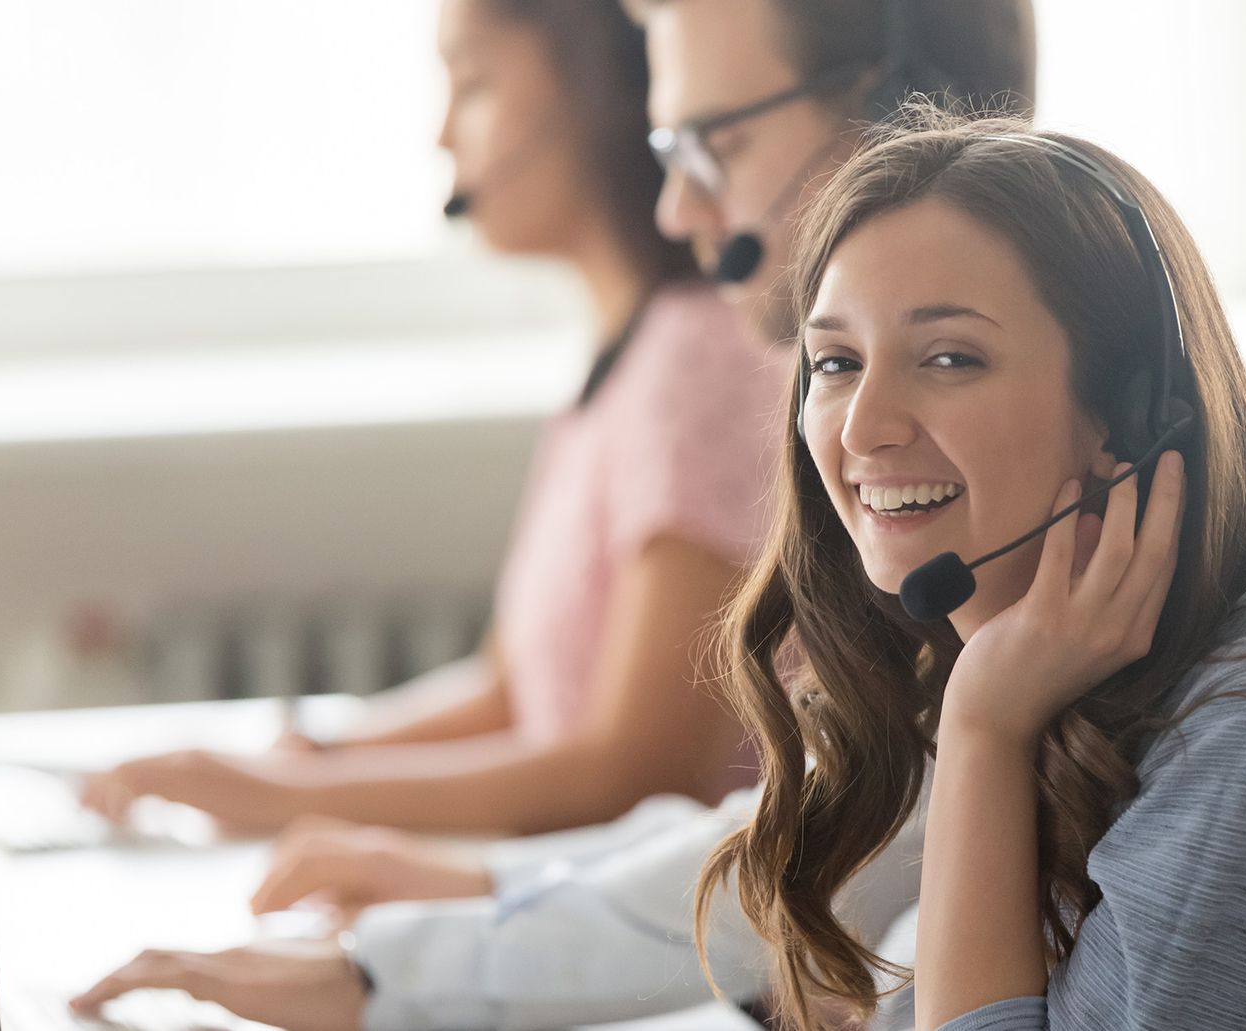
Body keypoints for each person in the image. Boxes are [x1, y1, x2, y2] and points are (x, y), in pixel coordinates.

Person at [70, 1, 1037, 1027]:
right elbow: (808, 832)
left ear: (903, 129)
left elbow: (678, 789)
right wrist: (411, 882)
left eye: (722, 141)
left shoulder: (835, 439)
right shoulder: (900, 513)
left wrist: (403, 928)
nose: (678, 208)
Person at [698, 111, 1246, 1031]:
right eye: (836, 362)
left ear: (1129, 413)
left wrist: (983, 726)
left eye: (950, 357)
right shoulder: (1057, 675)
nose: (861, 426)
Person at [77, 0, 785, 840]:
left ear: (599, 94)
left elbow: (635, 771)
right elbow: (512, 691)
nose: (444, 136)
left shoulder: (696, 359)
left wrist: (285, 801)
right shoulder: (624, 364)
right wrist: (307, 760)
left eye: (476, 83)